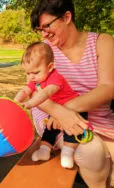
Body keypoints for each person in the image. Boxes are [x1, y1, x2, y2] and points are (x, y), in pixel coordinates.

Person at [29, 0, 114, 187]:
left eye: (47, 26)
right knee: (92, 154)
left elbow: (108, 88)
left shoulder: (103, 42)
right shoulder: (44, 50)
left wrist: (67, 109)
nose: (43, 34)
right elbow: (34, 91)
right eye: (39, 29)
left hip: (96, 117)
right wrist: (59, 113)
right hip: (53, 119)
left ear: (67, 17)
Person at [14, 41, 87, 168]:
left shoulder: (55, 78)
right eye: (28, 73)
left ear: (50, 67)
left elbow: (46, 93)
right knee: (49, 128)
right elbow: (25, 90)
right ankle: (44, 150)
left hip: (72, 108)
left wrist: (30, 103)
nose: (31, 77)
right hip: (56, 111)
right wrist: (15, 102)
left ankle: (68, 152)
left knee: (71, 131)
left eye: (35, 72)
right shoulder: (36, 78)